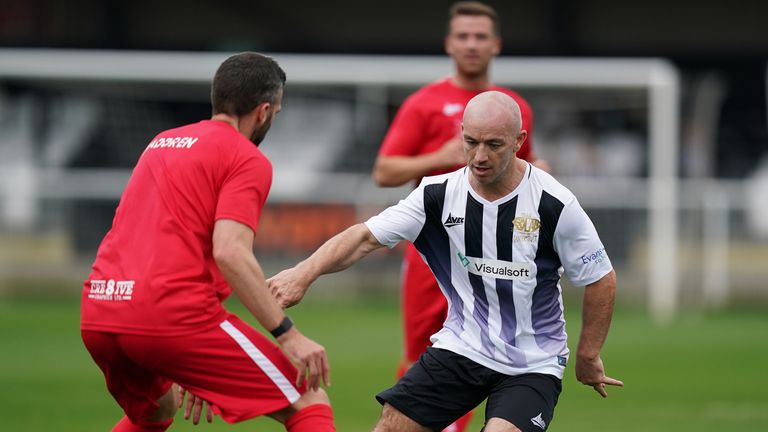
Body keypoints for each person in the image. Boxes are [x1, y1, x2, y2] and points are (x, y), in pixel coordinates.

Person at [270, 91, 622, 432]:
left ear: (519, 141)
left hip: (532, 363)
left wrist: (588, 355)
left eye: (494, 145)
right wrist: (304, 273)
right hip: (462, 348)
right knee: (391, 426)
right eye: (471, 142)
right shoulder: (436, 195)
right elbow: (363, 237)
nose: (479, 156)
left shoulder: (554, 203)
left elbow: (601, 277)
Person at [80, 52, 335, 432]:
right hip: (170, 317)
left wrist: (189, 359)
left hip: (100, 311)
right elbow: (230, 251)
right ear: (263, 111)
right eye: (277, 114)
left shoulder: (161, 142)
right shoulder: (246, 157)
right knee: (307, 399)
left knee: (155, 411)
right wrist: (288, 335)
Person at [372, 3, 549, 430]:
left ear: (496, 45)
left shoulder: (514, 107)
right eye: (464, 36)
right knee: (421, 353)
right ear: (450, 43)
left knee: (491, 352)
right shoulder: (423, 104)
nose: (472, 44)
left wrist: (541, 169)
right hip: (433, 251)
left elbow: (528, 164)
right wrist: (439, 156)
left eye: (480, 36)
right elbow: (384, 171)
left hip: (495, 252)